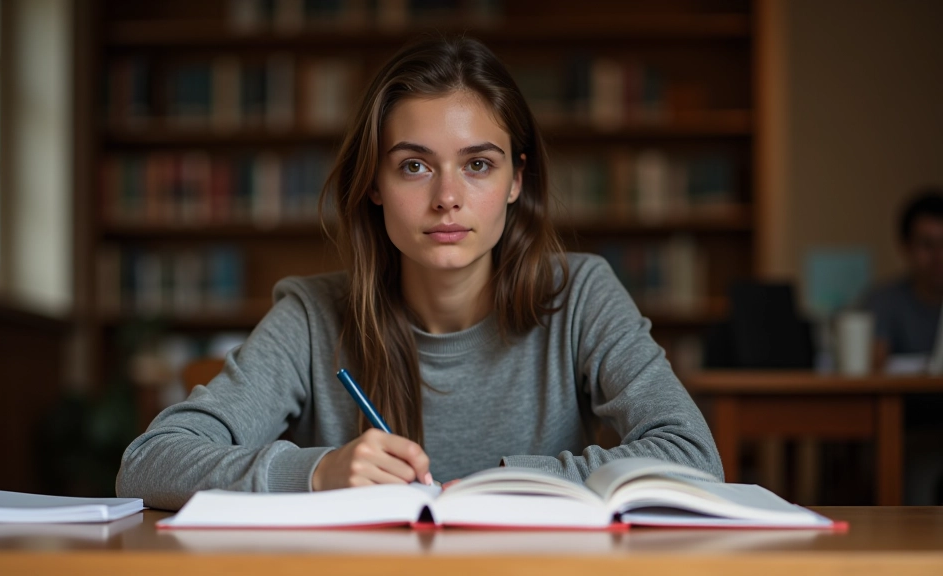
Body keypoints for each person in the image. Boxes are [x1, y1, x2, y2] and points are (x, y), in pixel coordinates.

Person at [116, 37, 722, 511]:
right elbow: (149, 462)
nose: (447, 198)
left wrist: (506, 483)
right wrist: (318, 471)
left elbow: (691, 454)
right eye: (413, 166)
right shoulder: (311, 314)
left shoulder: (582, 294)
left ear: (516, 180)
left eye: (478, 164)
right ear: (375, 184)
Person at [862, 188, 943, 505]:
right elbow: (872, 364)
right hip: (903, 426)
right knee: (916, 468)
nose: (939, 257)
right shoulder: (884, 301)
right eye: (928, 245)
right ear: (906, 248)